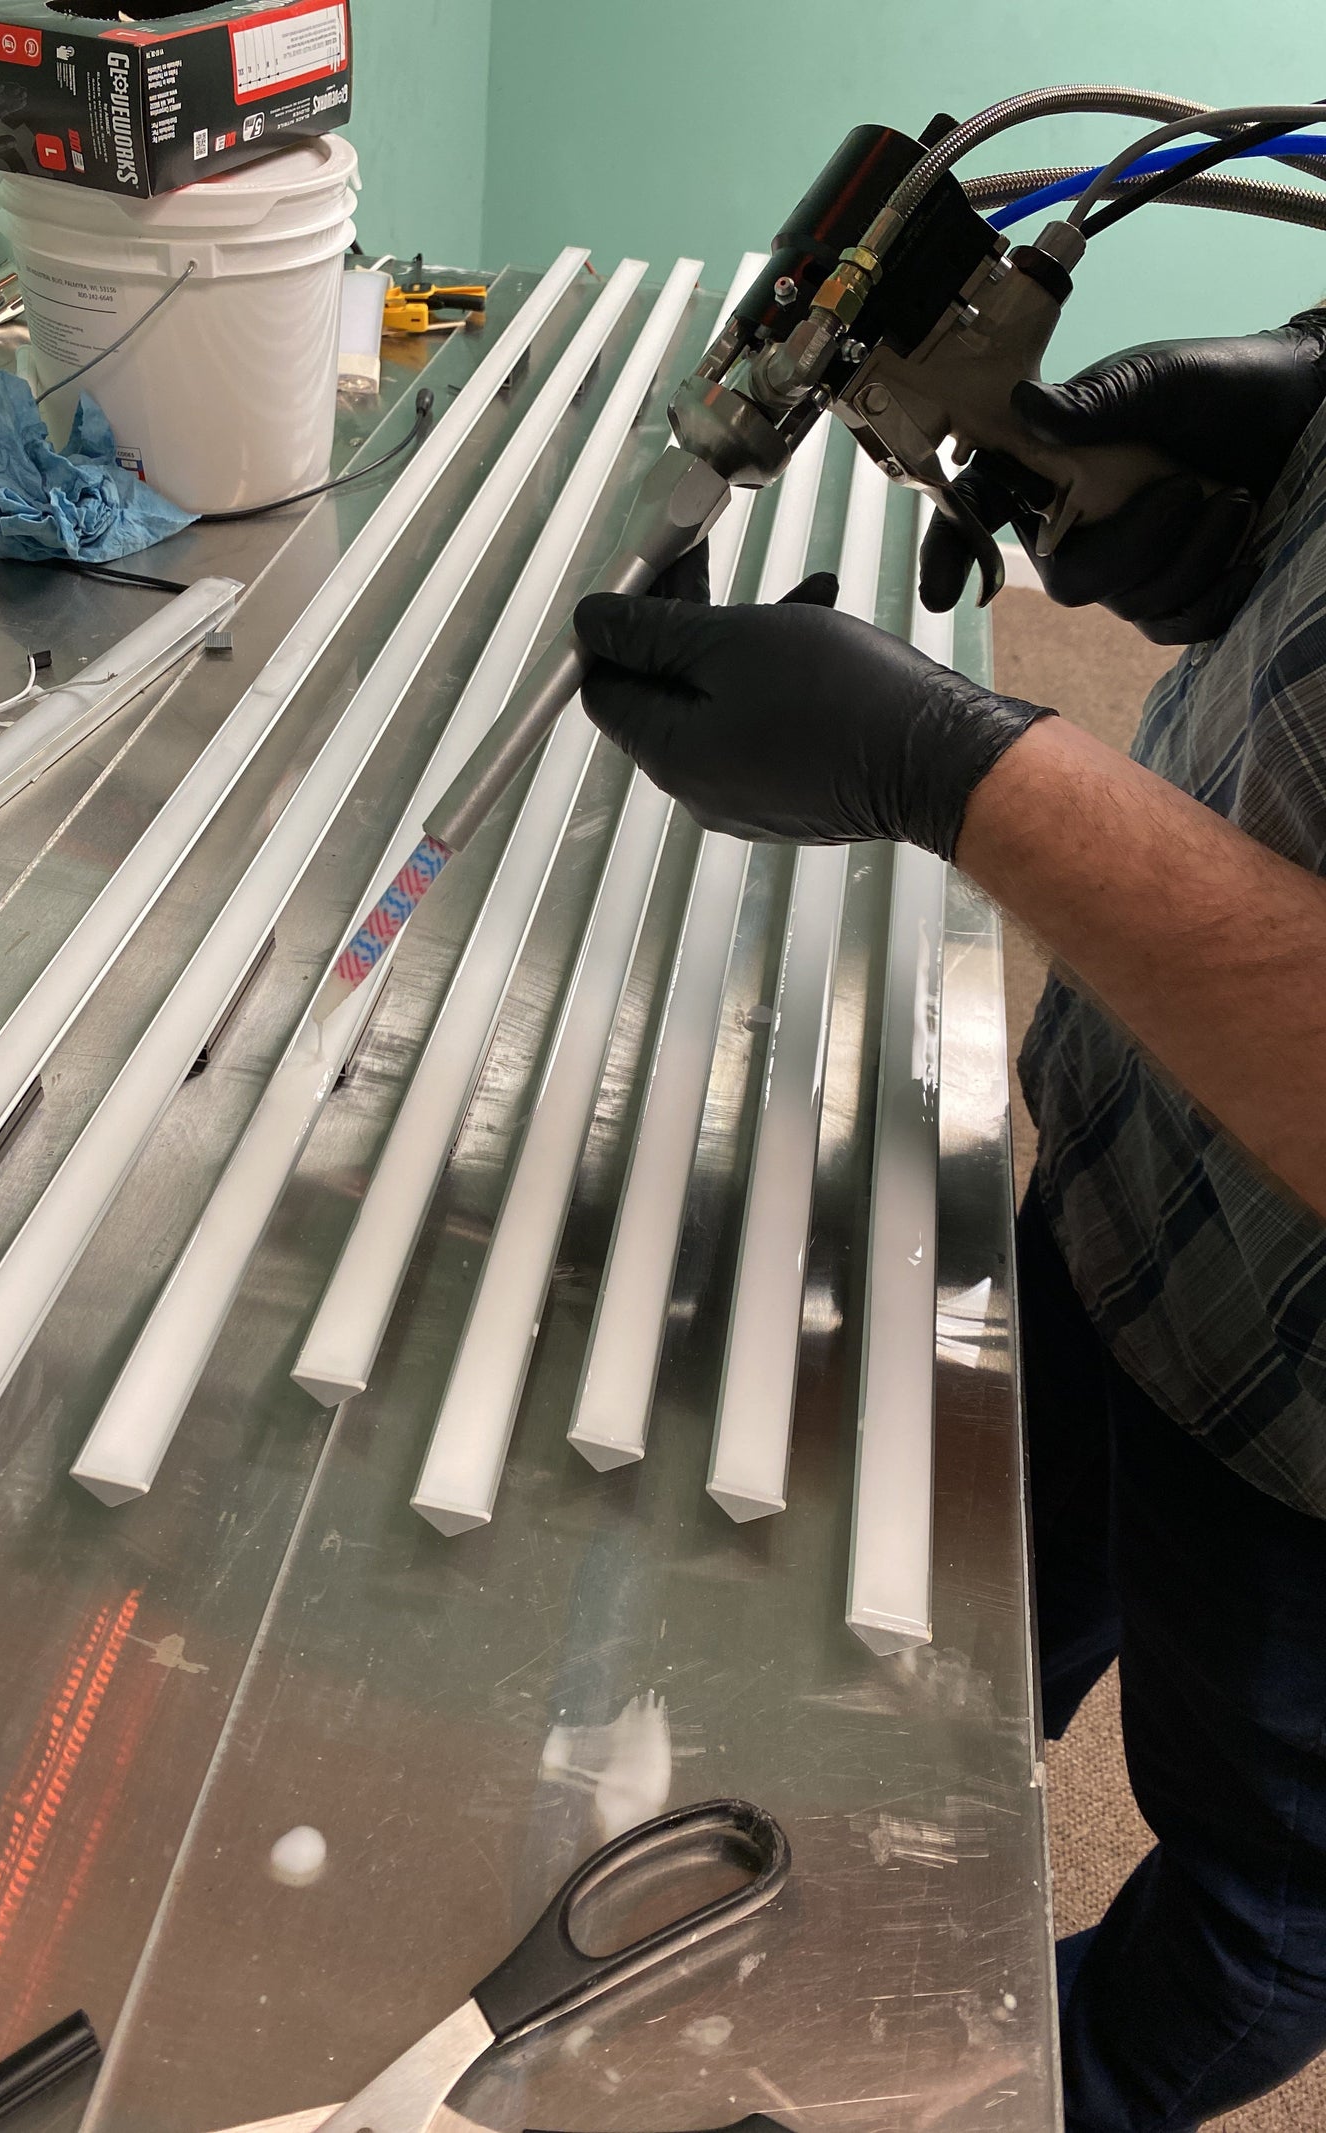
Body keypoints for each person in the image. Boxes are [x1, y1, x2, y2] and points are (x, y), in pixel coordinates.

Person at [573, 316, 1326, 2133]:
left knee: (1273, 1890)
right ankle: (823, 1933)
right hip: (1131, 1173)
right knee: (937, 1649)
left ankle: (1014, 2091)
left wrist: (963, 770)